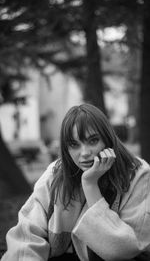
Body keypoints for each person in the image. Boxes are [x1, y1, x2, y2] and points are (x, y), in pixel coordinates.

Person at [1, 103, 150, 261]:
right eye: (74, 144)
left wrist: (90, 185)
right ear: (66, 148)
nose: (84, 153)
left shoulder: (137, 174)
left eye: (93, 141)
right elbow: (27, 235)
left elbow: (123, 250)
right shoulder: (55, 174)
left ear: (108, 140)